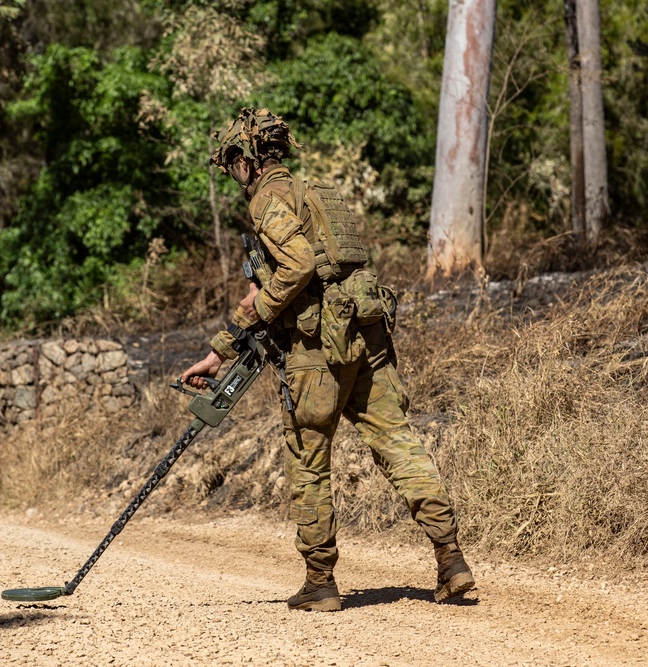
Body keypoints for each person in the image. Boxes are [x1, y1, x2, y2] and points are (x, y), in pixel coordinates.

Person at [181, 107, 474, 611]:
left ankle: (320, 581)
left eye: (231, 162)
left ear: (247, 159)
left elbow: (294, 269)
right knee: (399, 443)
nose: (232, 175)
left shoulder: (269, 199)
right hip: (368, 338)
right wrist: (229, 344)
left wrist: (231, 337)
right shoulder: (317, 194)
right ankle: (450, 559)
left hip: (318, 352)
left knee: (309, 459)